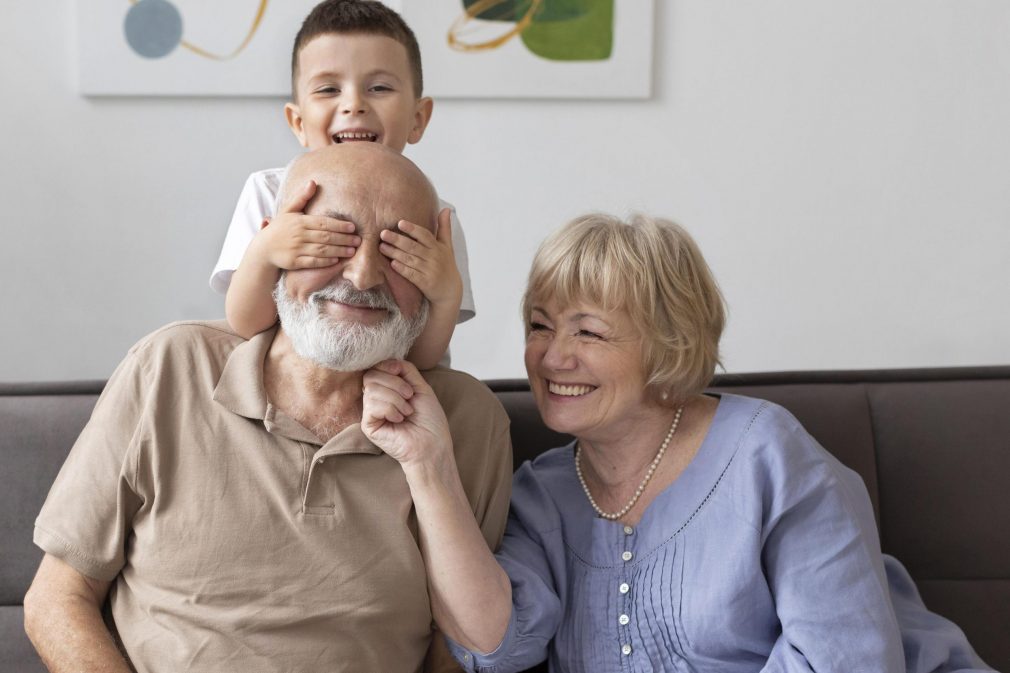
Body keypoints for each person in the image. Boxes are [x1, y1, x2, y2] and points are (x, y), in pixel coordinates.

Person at [366, 213, 993, 671]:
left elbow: (848, 661)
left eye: (589, 332)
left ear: (666, 343)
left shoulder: (768, 456)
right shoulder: (542, 493)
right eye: (539, 325)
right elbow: (496, 647)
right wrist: (428, 464)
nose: (553, 356)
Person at [24, 143, 512, 673]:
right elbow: (56, 599)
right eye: (333, 238)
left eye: (399, 250)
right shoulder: (169, 365)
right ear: (274, 245)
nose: (364, 275)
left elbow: (461, 648)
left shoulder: (467, 418)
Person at [211, 0, 472, 370]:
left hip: (391, 387)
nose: (354, 104)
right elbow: (246, 324)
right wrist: (265, 252)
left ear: (418, 118)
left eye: (379, 87)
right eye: (329, 89)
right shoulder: (270, 191)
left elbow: (425, 361)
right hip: (292, 384)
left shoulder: (434, 214)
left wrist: (446, 297)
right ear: (298, 122)